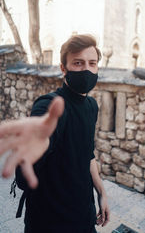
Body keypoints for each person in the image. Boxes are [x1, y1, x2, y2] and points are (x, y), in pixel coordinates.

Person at [0, 34, 110, 233]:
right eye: (78, 63)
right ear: (63, 68)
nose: (86, 69)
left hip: (84, 216)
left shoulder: (91, 106)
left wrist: (101, 192)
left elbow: (88, 154)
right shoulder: (50, 105)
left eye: (92, 63)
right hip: (48, 222)